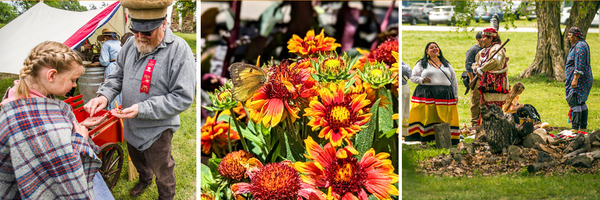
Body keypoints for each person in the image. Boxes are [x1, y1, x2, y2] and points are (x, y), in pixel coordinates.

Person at [83, 1, 196, 199]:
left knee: (163, 170)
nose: (140, 37)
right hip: (131, 125)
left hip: (157, 130)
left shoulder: (179, 50)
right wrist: (104, 95)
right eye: (136, 31)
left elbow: (183, 97)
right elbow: (117, 75)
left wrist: (142, 108)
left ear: (164, 23)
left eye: (147, 32)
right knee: (138, 160)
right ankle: (144, 179)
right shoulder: (129, 45)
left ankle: (166, 195)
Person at [0, 41, 106, 199]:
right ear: (52, 75)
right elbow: (67, 173)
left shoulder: (19, 96)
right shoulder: (35, 126)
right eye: (72, 80)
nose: (74, 85)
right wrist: (81, 139)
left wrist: (79, 125)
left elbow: (55, 137)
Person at [407, 42, 460, 145]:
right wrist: (422, 80)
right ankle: (425, 139)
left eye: (436, 47)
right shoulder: (422, 63)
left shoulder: (446, 64)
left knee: (445, 117)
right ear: (427, 52)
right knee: (427, 117)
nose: (434, 49)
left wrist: (456, 94)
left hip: (445, 95)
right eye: (431, 48)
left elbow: (453, 80)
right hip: (427, 94)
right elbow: (412, 77)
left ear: (439, 50)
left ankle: (445, 139)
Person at [472, 28, 509, 118]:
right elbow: (476, 62)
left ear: (490, 38)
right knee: (484, 108)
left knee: (494, 110)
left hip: (496, 83)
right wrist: (476, 68)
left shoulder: (497, 49)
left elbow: (495, 61)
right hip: (485, 83)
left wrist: (482, 69)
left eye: (484, 37)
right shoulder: (483, 51)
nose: (481, 39)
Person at [565, 27, 593, 131]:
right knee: (580, 102)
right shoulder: (580, 44)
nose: (569, 37)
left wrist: (575, 78)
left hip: (580, 80)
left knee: (575, 101)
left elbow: (580, 64)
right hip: (582, 79)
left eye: (570, 35)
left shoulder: (580, 46)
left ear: (576, 36)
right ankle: (583, 129)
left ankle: (575, 129)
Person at [99, 28, 122, 110]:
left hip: (112, 66)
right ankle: (121, 106)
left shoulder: (106, 44)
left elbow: (104, 61)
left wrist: (100, 60)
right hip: (122, 65)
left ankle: (113, 108)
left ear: (105, 37)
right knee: (120, 87)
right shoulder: (120, 43)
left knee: (111, 86)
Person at [466, 31, 483, 127]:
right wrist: (472, 80)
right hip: (476, 79)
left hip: (484, 79)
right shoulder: (473, 50)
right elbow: (468, 66)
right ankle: (474, 123)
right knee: (475, 101)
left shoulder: (487, 49)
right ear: (478, 39)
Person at [401, 61, 411, 137]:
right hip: (401, 87)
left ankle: (404, 133)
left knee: (404, 109)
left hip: (403, 87)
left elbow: (408, 71)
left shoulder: (402, 62)